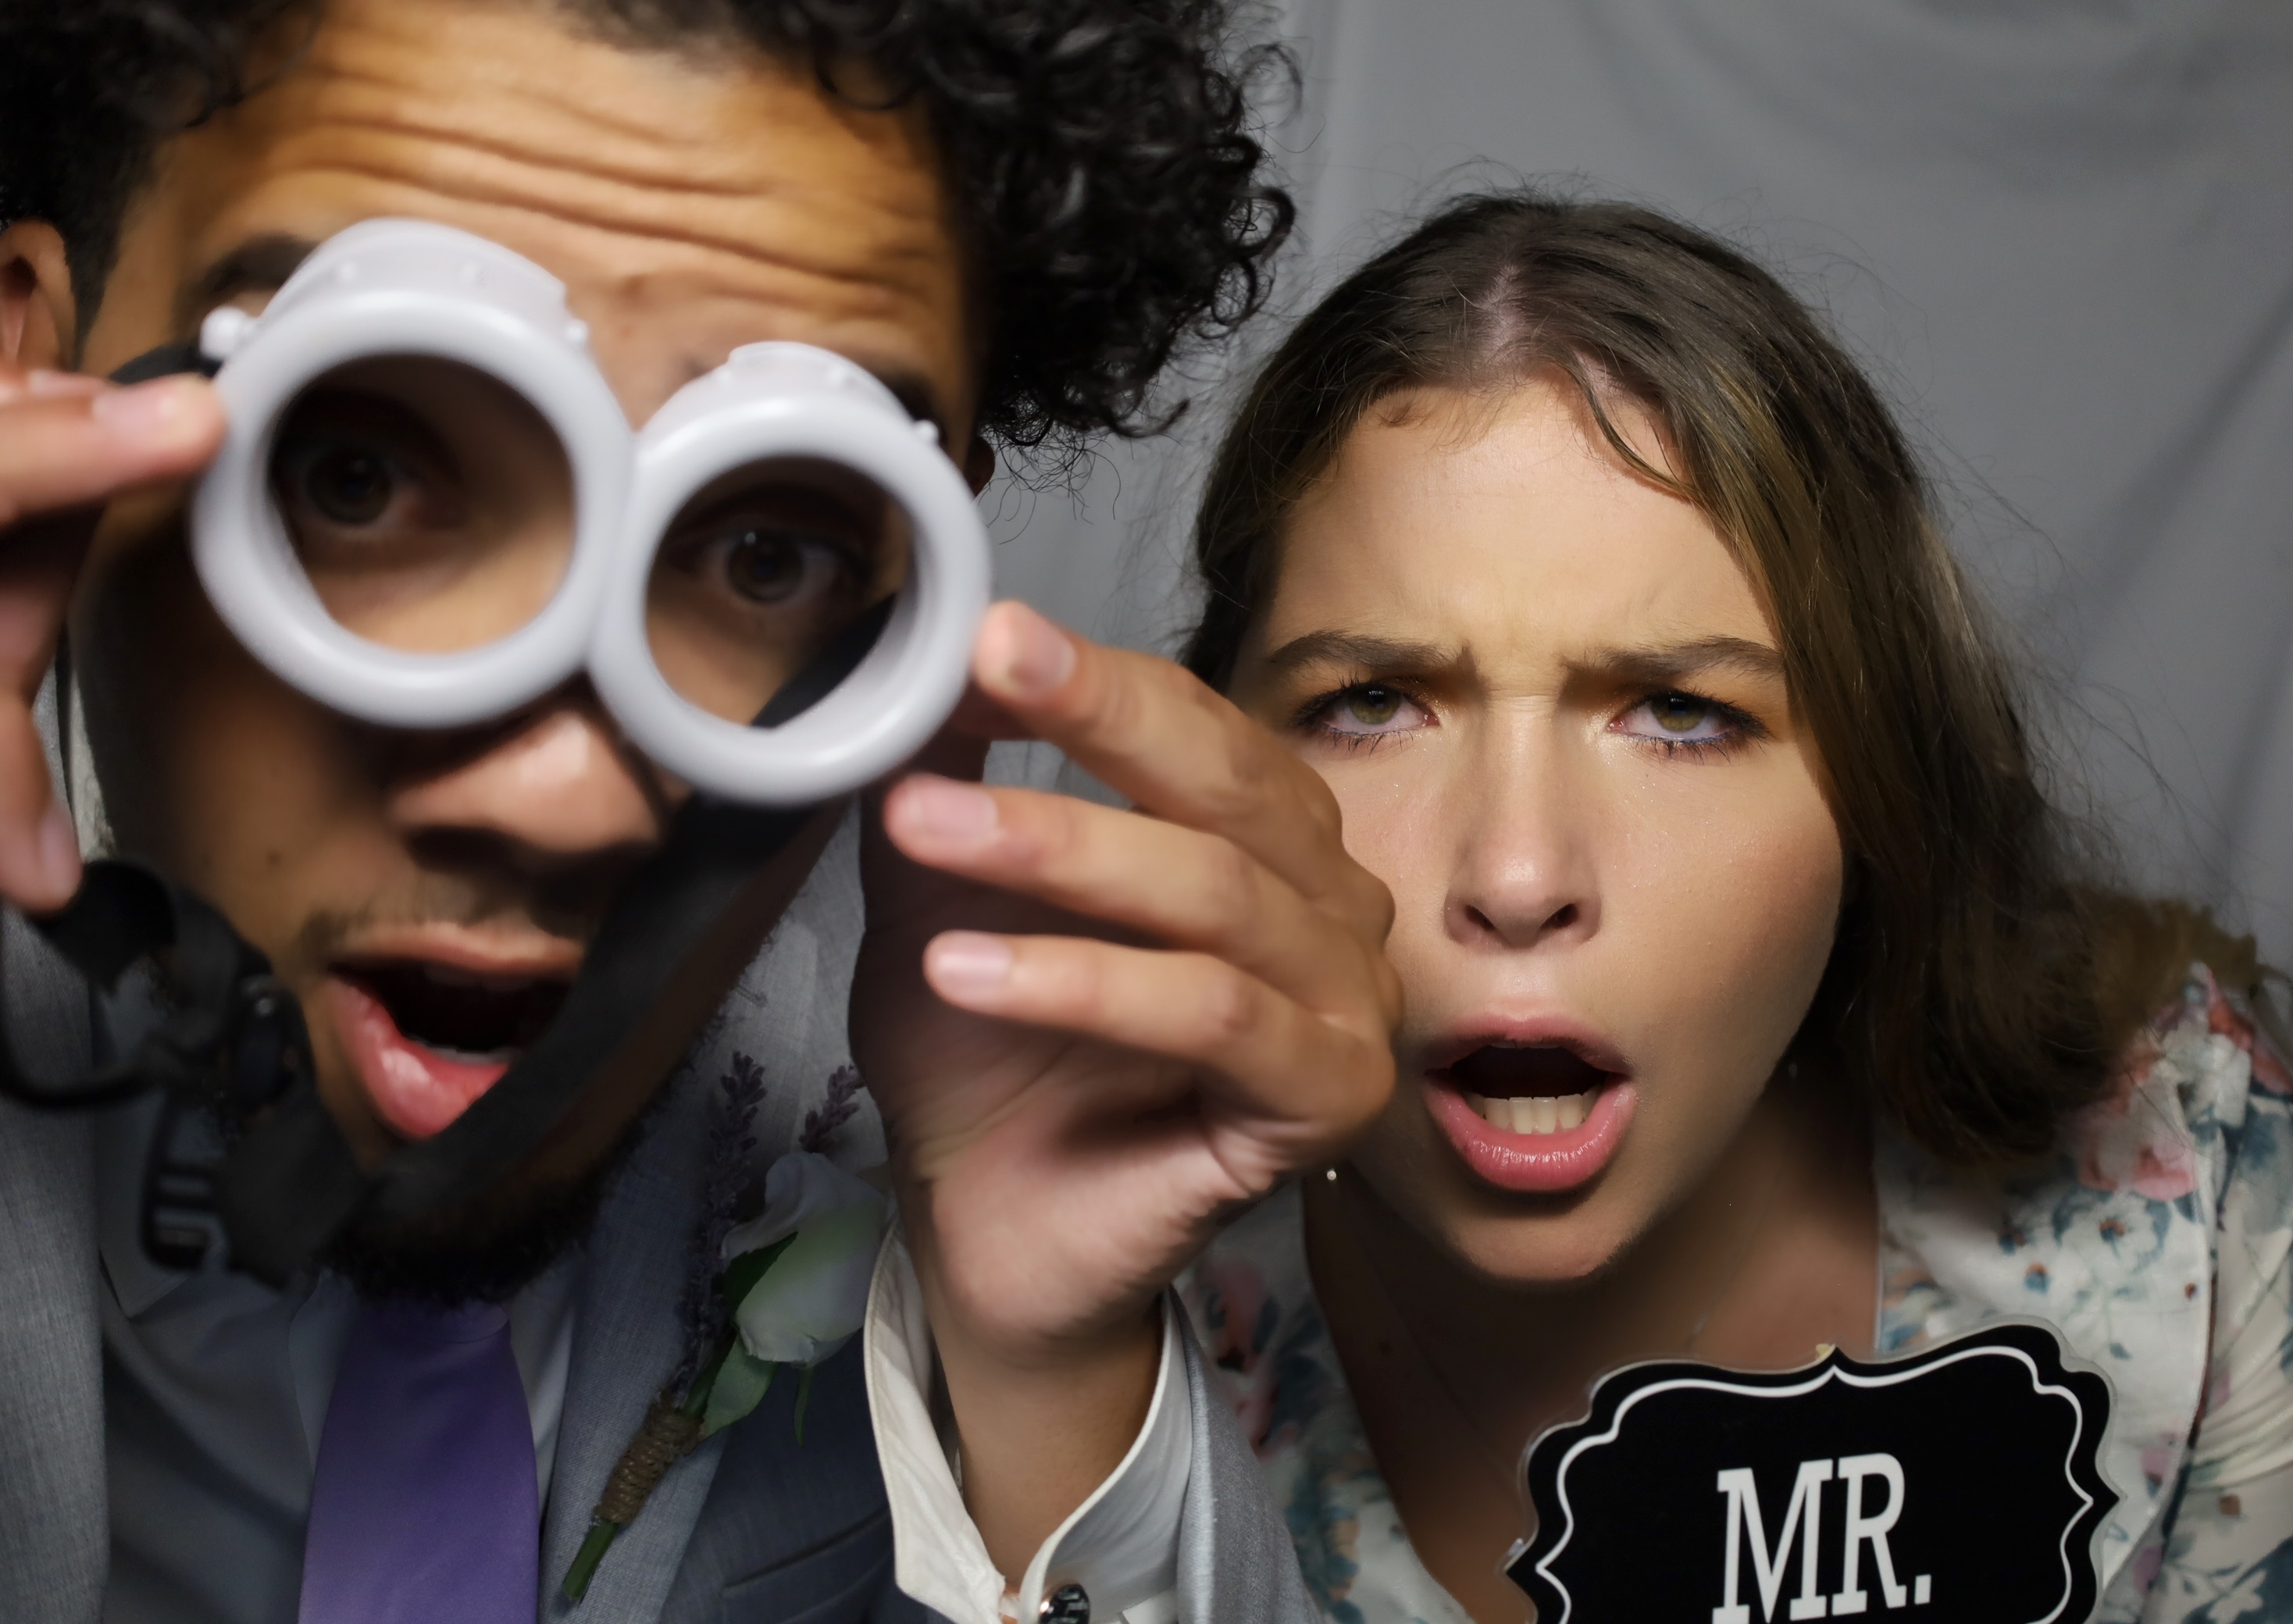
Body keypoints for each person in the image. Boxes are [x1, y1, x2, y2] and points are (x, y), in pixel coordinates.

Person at [0, 4, 1400, 1622]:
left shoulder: (944, 1048)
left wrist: (1049, 1364)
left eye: (766, 549)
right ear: (35, 366)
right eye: (353, 472)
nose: (564, 796)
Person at [1173, 194, 2293, 1623]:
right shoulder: (1095, 1257)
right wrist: (1047, 1384)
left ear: (1881, 785)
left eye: (1680, 712)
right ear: (1211, 763)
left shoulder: (2176, 1150)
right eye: (1373, 702)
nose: (1516, 875)